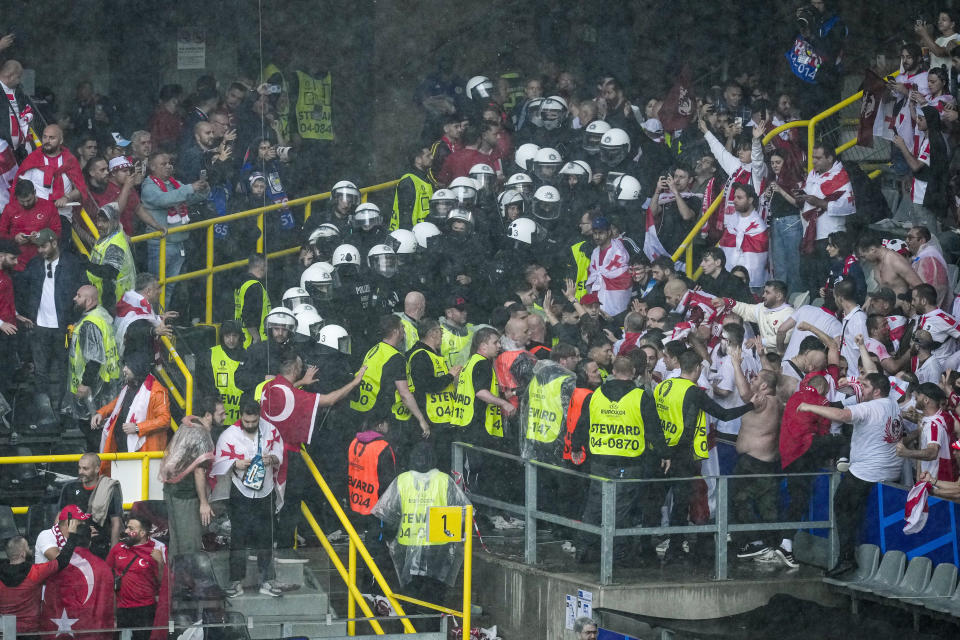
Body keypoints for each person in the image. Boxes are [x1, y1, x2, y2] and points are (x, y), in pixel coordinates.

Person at [652, 350, 754, 562]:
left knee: (658, 501)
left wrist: (663, 450)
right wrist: (752, 405)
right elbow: (723, 415)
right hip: (681, 455)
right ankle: (675, 548)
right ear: (698, 368)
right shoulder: (694, 391)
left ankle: (649, 544)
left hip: (660, 452)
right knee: (680, 504)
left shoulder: (663, 386)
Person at [798, 373, 902, 577]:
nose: (860, 389)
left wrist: (809, 407)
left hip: (868, 471)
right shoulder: (892, 403)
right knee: (855, 507)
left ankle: (846, 559)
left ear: (877, 391)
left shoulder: (870, 407)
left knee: (841, 503)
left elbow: (844, 415)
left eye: (864, 386)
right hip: (890, 469)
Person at [260, 353, 365, 549]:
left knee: (270, 502)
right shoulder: (296, 395)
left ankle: (269, 544)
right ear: (293, 370)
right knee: (291, 505)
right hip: (288, 457)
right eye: (300, 368)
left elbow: (287, 391)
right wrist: (354, 382)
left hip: (266, 453)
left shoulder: (269, 388)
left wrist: (301, 381)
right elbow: (331, 399)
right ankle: (284, 550)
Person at [570, 355, 660, 563]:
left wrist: (576, 446)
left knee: (594, 506)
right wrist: (664, 454)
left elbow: (583, 424)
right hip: (629, 463)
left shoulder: (596, 394)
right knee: (622, 510)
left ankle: (583, 549)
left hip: (600, 461)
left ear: (612, 372)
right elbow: (654, 431)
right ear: (635, 374)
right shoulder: (641, 397)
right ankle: (617, 556)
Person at [370, 442, 470, 604]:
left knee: (411, 597)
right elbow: (462, 515)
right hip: (437, 547)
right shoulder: (444, 480)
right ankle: (432, 623)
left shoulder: (402, 480)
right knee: (434, 598)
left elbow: (387, 516)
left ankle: (413, 625)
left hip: (407, 543)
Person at [211, 397, 286, 598]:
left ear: (259, 416)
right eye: (247, 422)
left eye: (254, 422)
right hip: (240, 490)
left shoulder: (271, 430)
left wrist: (271, 458)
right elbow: (217, 462)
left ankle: (268, 580)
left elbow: (280, 453)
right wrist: (235, 464)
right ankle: (236, 582)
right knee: (238, 537)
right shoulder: (229, 435)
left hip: (266, 490)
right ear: (240, 417)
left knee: (266, 536)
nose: (251, 425)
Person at [726, 346, 785, 563]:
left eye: (756, 378)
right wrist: (761, 356)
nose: (752, 379)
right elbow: (773, 377)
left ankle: (755, 543)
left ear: (763, 386)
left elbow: (744, 394)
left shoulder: (764, 400)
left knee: (738, 501)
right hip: (762, 462)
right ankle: (771, 545)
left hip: (754, 464)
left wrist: (735, 363)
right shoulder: (776, 400)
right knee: (767, 505)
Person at [21, 228, 88, 409]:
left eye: (43, 246)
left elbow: (83, 291)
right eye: (38, 247)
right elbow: (23, 291)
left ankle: (61, 408)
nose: (40, 250)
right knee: (40, 370)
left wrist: (75, 320)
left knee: (63, 368)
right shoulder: (34, 264)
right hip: (39, 327)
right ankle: (45, 411)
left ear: (54, 243)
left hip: (63, 327)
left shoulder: (72, 264)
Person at [140, 151, 209, 305]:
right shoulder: (148, 187)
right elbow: (165, 200)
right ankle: (156, 322)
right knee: (156, 289)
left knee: (170, 289)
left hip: (179, 244)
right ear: (152, 167)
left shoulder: (174, 184)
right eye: (163, 164)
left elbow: (193, 198)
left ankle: (164, 321)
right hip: (161, 245)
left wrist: (203, 188)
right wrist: (190, 188)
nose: (168, 166)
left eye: (170, 163)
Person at [351, 314, 431, 445]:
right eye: (402, 327)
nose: (404, 330)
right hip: (380, 415)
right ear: (395, 331)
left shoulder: (374, 349)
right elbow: (404, 393)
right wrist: (421, 419)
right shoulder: (395, 357)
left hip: (363, 409)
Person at [91, 351, 172, 475]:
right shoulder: (130, 387)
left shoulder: (157, 391)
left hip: (144, 452)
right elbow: (118, 403)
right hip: (123, 449)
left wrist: (138, 428)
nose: (124, 369)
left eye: (127, 366)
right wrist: (101, 413)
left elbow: (165, 420)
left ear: (137, 367)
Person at [158, 395, 218, 558]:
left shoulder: (187, 426)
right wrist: (204, 503)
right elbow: (199, 471)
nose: (224, 417)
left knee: (176, 543)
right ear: (208, 415)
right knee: (190, 544)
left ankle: (177, 581)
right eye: (221, 414)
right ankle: (189, 581)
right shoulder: (202, 436)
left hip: (170, 490)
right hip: (185, 495)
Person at [65, 284, 121, 451]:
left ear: (88, 300)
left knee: (94, 432)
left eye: (79, 295)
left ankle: (98, 471)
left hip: (95, 390)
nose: (75, 298)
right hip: (108, 385)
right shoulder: (102, 315)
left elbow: (94, 359)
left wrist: (84, 384)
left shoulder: (90, 323)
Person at [0, 522, 81, 635]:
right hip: (30, 632)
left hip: (5, 632)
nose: (31, 550)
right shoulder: (35, 572)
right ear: (23, 554)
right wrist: (73, 536)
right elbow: (62, 560)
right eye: (28, 548)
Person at [797, 144, 855, 298]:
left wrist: (820, 203)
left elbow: (848, 205)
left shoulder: (840, 176)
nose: (814, 161)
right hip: (810, 235)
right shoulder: (813, 174)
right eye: (813, 158)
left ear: (830, 158)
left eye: (818, 158)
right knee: (810, 276)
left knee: (828, 278)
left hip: (830, 236)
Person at [14, 124, 87, 246]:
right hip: (36, 217)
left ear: (61, 140)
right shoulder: (33, 159)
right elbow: (21, 189)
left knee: (60, 253)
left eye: (52, 138)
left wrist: (66, 197)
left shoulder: (70, 160)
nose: (47, 141)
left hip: (62, 217)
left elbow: (80, 188)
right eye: (45, 137)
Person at [407, 318, 460, 471]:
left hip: (439, 419)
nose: (442, 335)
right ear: (432, 333)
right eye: (440, 331)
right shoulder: (420, 355)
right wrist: (450, 375)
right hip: (430, 421)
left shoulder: (431, 354)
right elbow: (427, 385)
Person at [106, 515, 165, 640]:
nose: (126, 531)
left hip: (145, 609)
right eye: (127, 527)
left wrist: (160, 563)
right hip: (122, 609)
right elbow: (107, 575)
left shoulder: (156, 550)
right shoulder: (118, 549)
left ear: (142, 533)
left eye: (130, 528)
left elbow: (163, 583)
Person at [57, 452, 123, 558]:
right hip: (73, 542)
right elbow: (59, 519)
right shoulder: (69, 487)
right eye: (79, 468)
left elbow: (116, 523)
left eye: (85, 469)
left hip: (100, 544)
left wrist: (112, 555)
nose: (80, 472)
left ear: (97, 469)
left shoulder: (109, 489)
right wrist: (59, 546)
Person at [896, 382, 956, 483]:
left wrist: (906, 452)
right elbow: (922, 448)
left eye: (918, 395)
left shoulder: (934, 424)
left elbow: (932, 452)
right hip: (928, 480)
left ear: (926, 400)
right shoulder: (932, 420)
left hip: (935, 482)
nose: (915, 397)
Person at [712, 280, 792, 354]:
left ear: (779, 296)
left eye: (767, 293)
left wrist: (760, 341)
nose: (763, 295)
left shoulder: (790, 313)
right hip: (763, 356)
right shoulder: (761, 308)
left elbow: (786, 338)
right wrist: (726, 302)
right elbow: (745, 309)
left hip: (782, 358)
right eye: (764, 292)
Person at [0, 179, 60, 272]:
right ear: (16, 197)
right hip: (16, 262)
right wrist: (14, 238)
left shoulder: (48, 206)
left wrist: (41, 236)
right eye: (22, 201)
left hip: (42, 259)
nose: (26, 204)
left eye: (29, 200)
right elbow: (1, 233)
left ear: (35, 192)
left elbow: (57, 231)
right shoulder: (9, 208)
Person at [85, 203, 136, 311]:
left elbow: (110, 272)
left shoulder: (115, 244)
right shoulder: (106, 237)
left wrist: (86, 264)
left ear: (113, 222)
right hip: (105, 295)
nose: (99, 225)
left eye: (104, 221)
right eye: (98, 220)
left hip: (114, 299)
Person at [718, 183, 769, 289]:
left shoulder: (759, 226)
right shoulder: (732, 220)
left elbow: (757, 260)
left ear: (750, 200)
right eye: (734, 197)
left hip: (751, 283)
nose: (735, 200)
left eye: (739, 198)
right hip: (729, 277)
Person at [197, 319, 245, 425]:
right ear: (222, 337)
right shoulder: (210, 354)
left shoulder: (247, 355)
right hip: (217, 418)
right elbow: (203, 384)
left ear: (239, 337)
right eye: (227, 336)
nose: (231, 340)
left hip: (240, 417)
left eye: (234, 336)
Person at [584, 216, 631, 317]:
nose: (597, 237)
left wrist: (605, 278)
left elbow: (622, 277)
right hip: (598, 301)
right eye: (595, 233)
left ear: (609, 232)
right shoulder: (595, 252)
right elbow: (593, 274)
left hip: (616, 302)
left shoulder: (618, 251)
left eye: (600, 233)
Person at [855, 234, 921, 301]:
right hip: (886, 308)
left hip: (901, 308)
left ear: (872, 250)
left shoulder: (896, 261)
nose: (864, 260)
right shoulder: (875, 262)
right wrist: (870, 299)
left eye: (864, 256)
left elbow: (921, 287)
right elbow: (883, 287)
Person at [390, 144, 434, 230]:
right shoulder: (409, 181)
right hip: (410, 232)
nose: (432, 157)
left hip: (421, 230)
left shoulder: (425, 179)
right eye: (428, 156)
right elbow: (405, 213)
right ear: (418, 160)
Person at [905, 225, 950, 310]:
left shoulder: (929, 258)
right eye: (907, 237)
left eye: (910, 238)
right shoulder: (924, 254)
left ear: (922, 240)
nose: (907, 241)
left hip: (929, 307)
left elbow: (932, 288)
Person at [234, 253, 270, 347]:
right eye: (266, 265)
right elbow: (248, 316)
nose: (267, 269)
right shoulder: (255, 286)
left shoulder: (241, 283)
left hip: (241, 338)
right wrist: (257, 339)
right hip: (253, 342)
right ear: (261, 266)